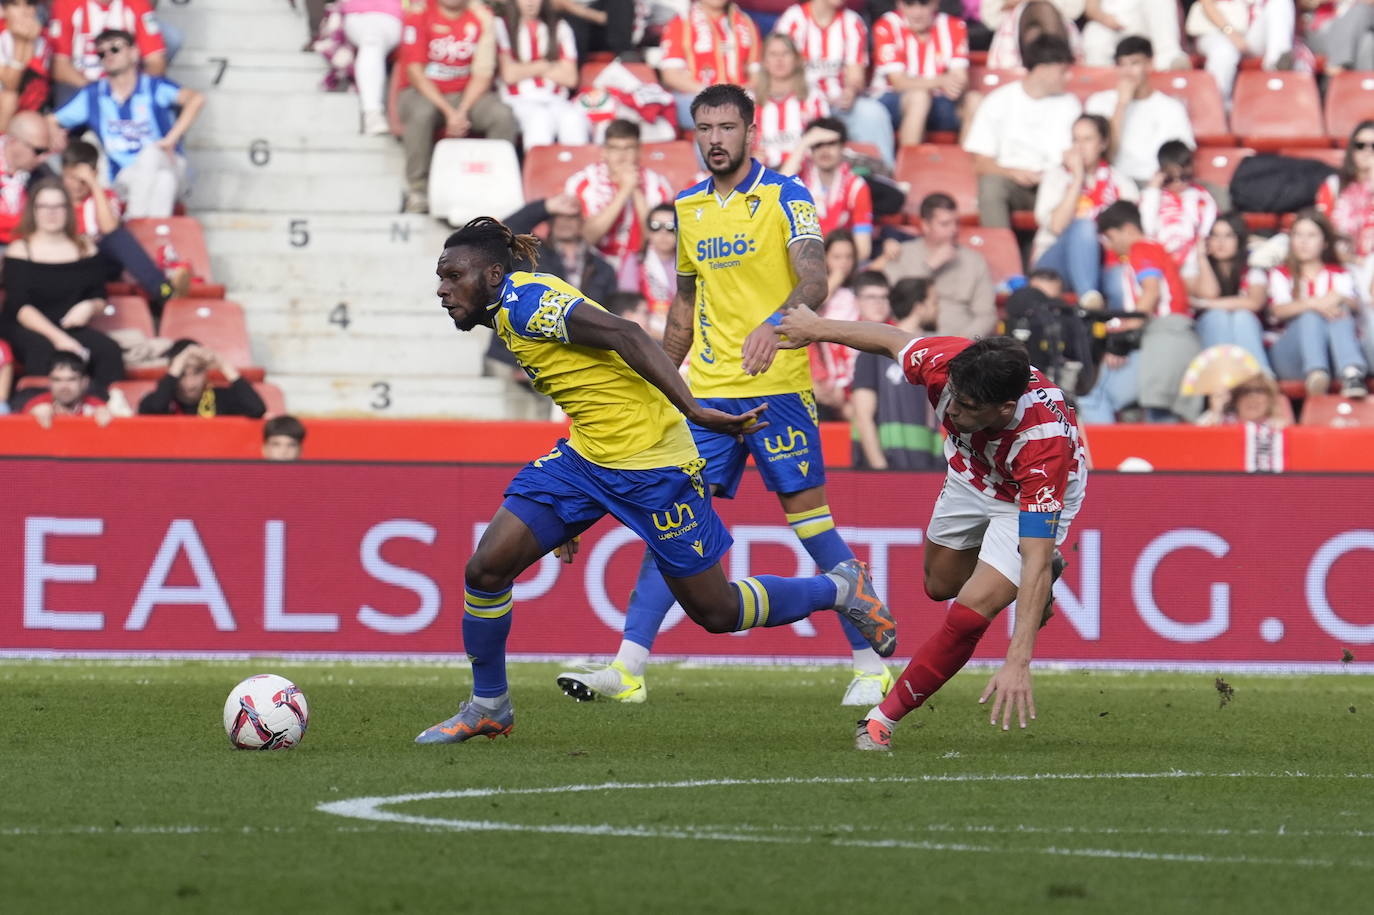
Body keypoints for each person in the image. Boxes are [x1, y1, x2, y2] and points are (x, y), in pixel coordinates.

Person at [414, 215, 896, 744]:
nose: (441, 289)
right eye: (440, 276)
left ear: (492, 275)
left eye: (451, 275)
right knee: (486, 569)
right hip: (586, 460)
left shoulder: (528, 302)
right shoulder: (506, 312)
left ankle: (839, 587)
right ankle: (490, 705)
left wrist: (694, 408)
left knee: (718, 611)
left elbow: (627, 333)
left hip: (653, 464)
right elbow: (591, 384)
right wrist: (564, 513)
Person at [554, 84, 896, 709]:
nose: (715, 138)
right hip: (706, 396)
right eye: (704, 127)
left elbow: (815, 276)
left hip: (777, 391)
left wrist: (778, 320)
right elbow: (684, 310)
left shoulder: (787, 196)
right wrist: (658, 383)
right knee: (672, 520)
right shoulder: (686, 207)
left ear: (750, 131)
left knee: (810, 524)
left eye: (726, 127)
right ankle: (628, 669)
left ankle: (871, 664)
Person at [772, 313, 1085, 750]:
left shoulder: (1042, 446)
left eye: (968, 408)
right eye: (954, 398)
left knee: (970, 610)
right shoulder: (947, 362)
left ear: (1005, 409)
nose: (952, 411)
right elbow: (889, 338)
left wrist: (1018, 660)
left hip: (1025, 495)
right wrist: (815, 326)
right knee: (939, 586)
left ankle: (881, 720)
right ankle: (1018, 580)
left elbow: (1034, 555)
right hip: (970, 472)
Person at [50, 27, 205, 219]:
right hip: (125, 177)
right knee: (164, 182)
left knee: (152, 155)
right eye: (101, 53)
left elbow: (196, 99)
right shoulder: (92, 95)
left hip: (167, 162)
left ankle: (134, 222)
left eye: (115, 49)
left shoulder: (154, 86)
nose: (108, 55)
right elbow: (50, 120)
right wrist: (56, 135)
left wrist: (170, 139)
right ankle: (150, 240)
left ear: (134, 52)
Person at [1080, 199, 1200, 423]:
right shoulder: (1152, 249)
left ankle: (1103, 456)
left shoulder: (1142, 247)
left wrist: (1123, 333)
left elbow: (1151, 292)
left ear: (1127, 230)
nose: (1110, 245)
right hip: (1170, 338)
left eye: (1111, 237)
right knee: (1161, 419)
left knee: (1096, 396)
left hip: (1166, 335)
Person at [2, 179, 123, 396]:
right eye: (44, 207)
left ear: (67, 210)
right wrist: (60, 339)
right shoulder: (19, 250)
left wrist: (89, 307)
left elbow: (99, 295)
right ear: (34, 211)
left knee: (108, 351)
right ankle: (38, 411)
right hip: (27, 325)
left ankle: (101, 408)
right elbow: (20, 306)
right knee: (43, 350)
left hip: (69, 323)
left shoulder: (86, 248)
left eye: (58, 206)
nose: (51, 213)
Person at [396, 0, 516, 214]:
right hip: (420, 93)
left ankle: (495, 185)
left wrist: (461, 110)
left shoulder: (481, 16)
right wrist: (449, 112)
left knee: (502, 116)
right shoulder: (419, 13)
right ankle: (417, 188)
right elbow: (415, 72)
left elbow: (483, 72)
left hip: (465, 94)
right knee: (422, 112)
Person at [962, 33, 1081, 230]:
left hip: (1055, 183)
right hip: (1011, 182)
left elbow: (1078, 154)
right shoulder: (998, 101)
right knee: (991, 186)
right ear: (1042, 70)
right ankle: (1000, 254)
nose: (1068, 77)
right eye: (1063, 71)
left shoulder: (1071, 104)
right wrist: (1013, 173)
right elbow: (980, 162)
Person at [62, 139, 187, 320]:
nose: (76, 186)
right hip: (67, 261)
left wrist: (94, 184)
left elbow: (109, 228)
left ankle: (163, 290)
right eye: (71, 178)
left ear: (94, 174)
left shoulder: (104, 197)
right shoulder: (53, 198)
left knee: (117, 239)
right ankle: (163, 289)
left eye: (82, 180)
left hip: (100, 263)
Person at [1262, 209, 1369, 398]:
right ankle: (1316, 373)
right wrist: (1314, 303)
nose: (1303, 242)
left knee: (1340, 310)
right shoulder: (1280, 273)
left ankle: (1351, 372)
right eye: (1298, 235)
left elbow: (1354, 305)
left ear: (1325, 243)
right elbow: (1277, 310)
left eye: (1311, 236)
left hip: (1332, 356)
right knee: (1310, 315)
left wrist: (1340, 298)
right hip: (1290, 357)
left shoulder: (1338, 273)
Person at [773, 0, 896, 164]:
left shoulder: (852, 22)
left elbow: (856, 73)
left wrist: (850, 91)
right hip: (802, 102)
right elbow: (779, 68)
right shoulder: (793, 19)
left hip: (840, 105)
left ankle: (884, 176)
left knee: (873, 113)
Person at [1031, 113, 1136, 304]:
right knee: (1084, 226)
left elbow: (1130, 236)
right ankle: (1089, 299)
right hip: (1055, 264)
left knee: (1122, 279)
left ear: (1103, 144)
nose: (1080, 147)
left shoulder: (1122, 183)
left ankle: (1118, 331)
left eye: (1087, 140)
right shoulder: (1056, 177)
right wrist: (1078, 177)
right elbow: (1057, 227)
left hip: (1104, 261)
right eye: (1075, 140)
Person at [564, 119, 673, 291]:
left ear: (639, 151)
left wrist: (635, 191)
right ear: (604, 152)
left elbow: (658, 240)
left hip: (643, 263)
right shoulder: (582, 182)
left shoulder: (657, 184)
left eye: (628, 148)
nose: (622, 157)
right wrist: (624, 192)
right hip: (596, 264)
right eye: (615, 149)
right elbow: (586, 238)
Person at [848, 276, 943, 471]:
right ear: (919, 307)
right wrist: (880, 469)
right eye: (933, 302)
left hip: (927, 469)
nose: (938, 309)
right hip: (886, 471)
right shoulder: (873, 351)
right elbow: (863, 416)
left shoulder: (931, 356)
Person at [880, 191, 997, 338]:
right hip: (911, 342)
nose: (954, 230)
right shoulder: (902, 254)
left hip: (962, 344)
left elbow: (986, 316)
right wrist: (928, 267)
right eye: (945, 224)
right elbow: (895, 304)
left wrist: (961, 344)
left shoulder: (974, 260)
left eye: (956, 223)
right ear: (925, 225)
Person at [1084, 36, 1195, 187]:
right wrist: (1121, 105)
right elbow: (1103, 155)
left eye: (1134, 63)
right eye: (1122, 65)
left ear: (1150, 64)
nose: (1127, 72)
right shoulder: (1099, 102)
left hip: (1156, 183)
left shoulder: (1171, 108)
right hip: (1110, 183)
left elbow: (1179, 158)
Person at [870, 0, 972, 148]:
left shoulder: (954, 25)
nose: (917, 13)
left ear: (935, 4)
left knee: (974, 100)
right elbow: (899, 82)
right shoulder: (887, 25)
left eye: (924, 4)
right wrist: (942, 81)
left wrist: (957, 86)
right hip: (892, 101)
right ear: (899, 4)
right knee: (919, 97)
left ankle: (965, 167)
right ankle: (909, 168)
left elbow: (960, 78)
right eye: (909, 4)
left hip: (939, 102)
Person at [494, 0, 587, 149]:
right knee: (540, 118)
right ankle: (537, 171)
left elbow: (570, 79)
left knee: (574, 119)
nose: (530, 3)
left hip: (555, 99)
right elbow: (509, 75)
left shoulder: (560, 27)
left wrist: (525, 69)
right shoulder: (501, 26)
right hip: (517, 100)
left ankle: (575, 170)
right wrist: (545, 65)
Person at [782, 116, 874, 263]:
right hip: (800, 262)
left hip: (842, 265)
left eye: (831, 144)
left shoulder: (856, 187)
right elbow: (778, 191)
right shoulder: (799, 179)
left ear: (843, 147)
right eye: (817, 145)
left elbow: (863, 250)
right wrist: (804, 142)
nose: (824, 151)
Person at [1190, 211, 1272, 373]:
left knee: (1243, 316)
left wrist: (1207, 304)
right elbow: (1209, 293)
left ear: (1239, 240)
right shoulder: (1196, 270)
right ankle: (1221, 380)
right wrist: (1201, 258)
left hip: (1246, 331)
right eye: (1215, 236)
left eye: (1228, 236)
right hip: (1206, 339)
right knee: (1217, 317)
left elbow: (1254, 303)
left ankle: (1259, 378)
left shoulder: (1252, 269)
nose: (1221, 243)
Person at [657, 0, 761, 128]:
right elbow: (671, 76)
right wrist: (711, 93)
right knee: (713, 115)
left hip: (740, 96)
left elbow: (758, 74)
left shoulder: (745, 22)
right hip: (695, 95)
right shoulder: (681, 21)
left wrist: (739, 93)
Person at [48, 0, 168, 104]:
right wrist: (99, 92)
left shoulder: (137, 3)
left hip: (128, 86)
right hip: (81, 84)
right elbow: (59, 68)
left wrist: (134, 90)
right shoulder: (65, 3)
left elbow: (156, 62)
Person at [1139, 141, 1217, 282]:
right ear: (1161, 174)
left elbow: (1204, 234)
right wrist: (1152, 190)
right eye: (1170, 179)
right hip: (1158, 265)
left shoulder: (1203, 198)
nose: (1178, 183)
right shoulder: (1153, 196)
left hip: (1191, 266)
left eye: (1184, 177)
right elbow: (1146, 228)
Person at [1192, 0, 1296, 104]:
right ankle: (1214, 107)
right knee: (1224, 53)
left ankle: (1277, 66)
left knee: (1281, 2)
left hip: (1247, 33)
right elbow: (1206, 4)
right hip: (1216, 32)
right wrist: (1231, 33)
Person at [752, 33, 828, 171]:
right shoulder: (749, 101)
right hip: (762, 180)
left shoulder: (814, 97)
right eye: (773, 54)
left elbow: (824, 142)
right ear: (764, 61)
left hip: (806, 175)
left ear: (796, 59)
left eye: (785, 53)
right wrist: (750, 158)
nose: (779, 60)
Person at [138, 339, 267, 416]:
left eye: (197, 372)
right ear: (173, 373)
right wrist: (177, 365)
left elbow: (257, 409)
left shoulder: (223, 398)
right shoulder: (160, 400)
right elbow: (154, 408)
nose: (190, 383)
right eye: (182, 374)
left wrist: (223, 364)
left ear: (206, 372)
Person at [339, 0, 404, 136]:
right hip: (357, 13)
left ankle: (374, 114)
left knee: (373, 38)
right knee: (372, 39)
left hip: (395, 16)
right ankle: (372, 113)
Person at [15, 350, 112, 427]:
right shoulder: (37, 404)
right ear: (50, 382)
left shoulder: (96, 407)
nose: (64, 386)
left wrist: (108, 421)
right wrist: (31, 417)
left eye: (71, 379)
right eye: (57, 380)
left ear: (84, 382)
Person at [0, 110, 55, 245]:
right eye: (38, 151)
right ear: (14, 141)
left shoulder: (43, 174)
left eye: (46, 151)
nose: (43, 158)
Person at [1081, 0, 1187, 70]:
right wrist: (1105, 19)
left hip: (1145, 21)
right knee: (1095, 34)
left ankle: (1168, 61)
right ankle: (1100, 84)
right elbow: (1091, 8)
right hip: (1111, 20)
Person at [0, 0, 51, 131]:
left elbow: (35, 79)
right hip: (6, 105)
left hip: (31, 106)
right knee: (9, 98)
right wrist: (21, 42)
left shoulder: (44, 40)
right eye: (15, 5)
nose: (23, 11)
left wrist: (28, 42)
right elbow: (11, 84)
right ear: (4, 10)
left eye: (29, 4)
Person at [1303, 0, 1374, 75]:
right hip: (1325, 29)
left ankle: (1339, 65)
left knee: (1367, 40)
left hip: (1358, 26)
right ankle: (1340, 65)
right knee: (1366, 40)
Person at [639, 201, 677, 335]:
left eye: (670, 227)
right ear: (648, 231)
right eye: (656, 226)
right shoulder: (635, 261)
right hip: (644, 333)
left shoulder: (690, 263)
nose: (663, 233)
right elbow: (627, 308)